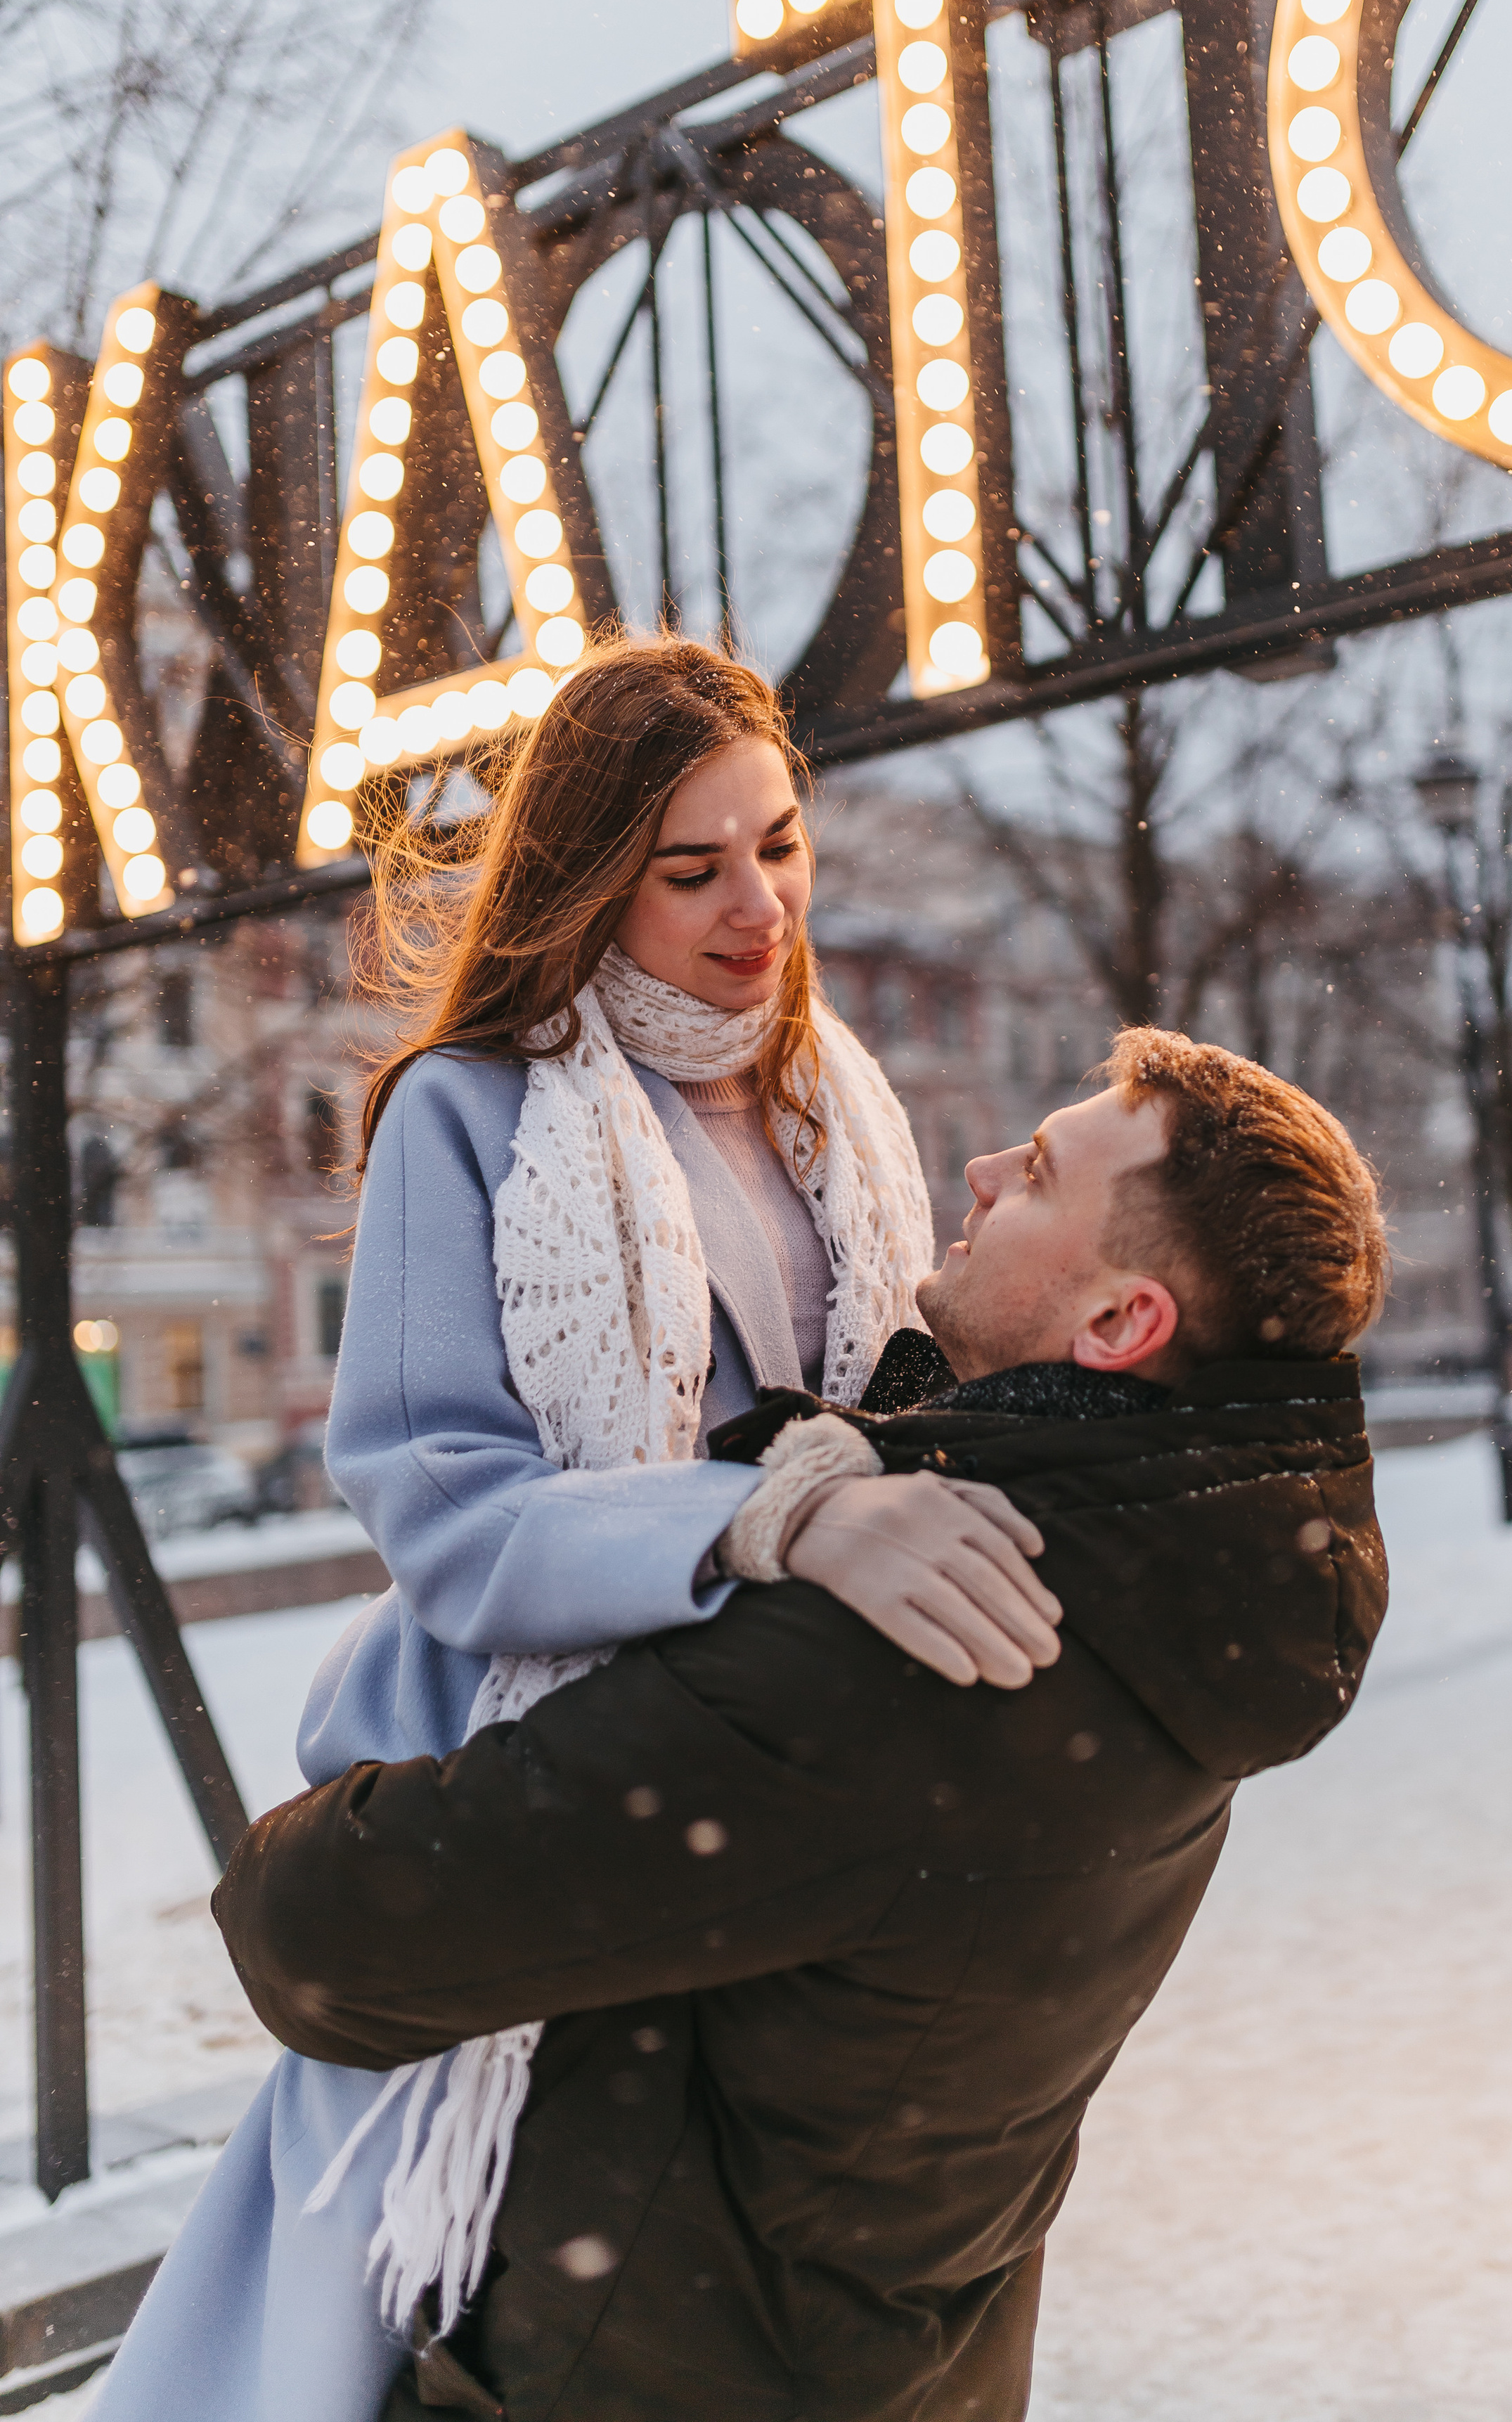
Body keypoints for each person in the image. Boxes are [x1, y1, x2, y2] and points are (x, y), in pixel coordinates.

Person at [95, 638, 1062, 2422]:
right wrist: (773, 1524)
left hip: (766, 1787)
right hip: (529, 1802)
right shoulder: (469, 1112)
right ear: (587, 880)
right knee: (376, 2313)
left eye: (777, 845)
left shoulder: (840, 1102)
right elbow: (447, 1515)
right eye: (688, 870)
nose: (754, 905)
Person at [217, 1027, 1392, 2422]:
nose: (971, 1171)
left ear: (1118, 1324)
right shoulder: (1181, 1583)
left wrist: (384, 1737)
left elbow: (318, 1935)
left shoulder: (909, 1661)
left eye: (1031, 1176)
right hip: (887, 2361)